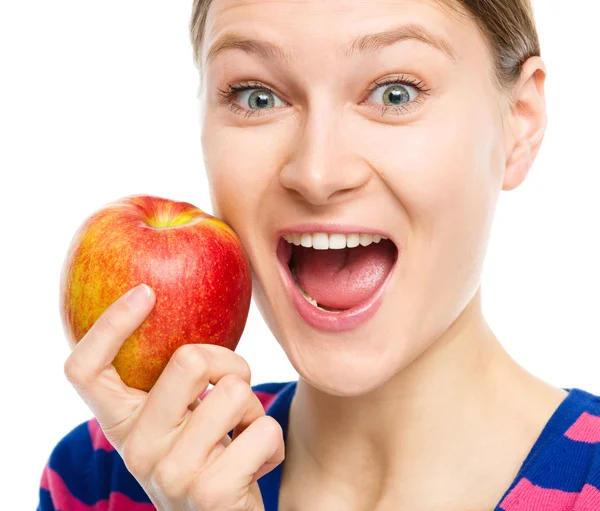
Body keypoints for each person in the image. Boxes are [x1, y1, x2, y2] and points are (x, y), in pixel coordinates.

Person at [38, 0, 600, 510]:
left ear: (519, 122)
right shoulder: (106, 478)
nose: (317, 173)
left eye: (395, 93)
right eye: (256, 96)